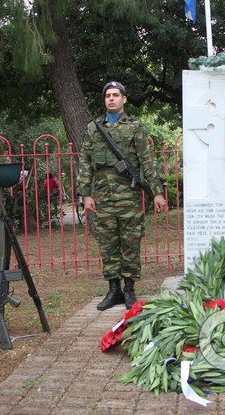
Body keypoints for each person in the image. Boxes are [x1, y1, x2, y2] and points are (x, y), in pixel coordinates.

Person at [77, 81, 166, 310]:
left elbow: (148, 160)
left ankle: (129, 290)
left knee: (130, 242)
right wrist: (86, 194)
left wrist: (157, 192)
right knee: (107, 242)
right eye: (108, 95)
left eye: (116, 95)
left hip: (129, 195)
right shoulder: (93, 129)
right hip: (103, 196)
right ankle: (113, 289)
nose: (112, 99)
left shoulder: (136, 127)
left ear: (124, 99)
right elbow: (85, 163)